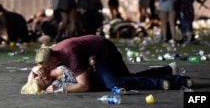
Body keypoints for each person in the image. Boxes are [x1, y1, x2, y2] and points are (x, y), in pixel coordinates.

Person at [34, 35, 193, 93]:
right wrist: (37, 70)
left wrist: (60, 90)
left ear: (54, 60)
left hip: (103, 52)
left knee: (113, 83)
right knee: (126, 78)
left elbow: (84, 86)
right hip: (97, 51)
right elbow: (35, 73)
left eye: (46, 67)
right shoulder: (50, 55)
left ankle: (167, 82)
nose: (44, 73)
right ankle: (169, 70)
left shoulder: (69, 56)